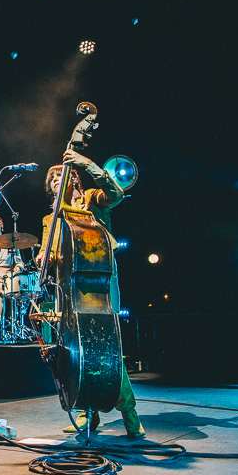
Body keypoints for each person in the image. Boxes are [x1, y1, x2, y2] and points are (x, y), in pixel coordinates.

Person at [41, 149, 144, 438]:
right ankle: (88, 412)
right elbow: (48, 256)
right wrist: (43, 257)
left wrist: (87, 164)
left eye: (62, 175)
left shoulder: (92, 200)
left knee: (107, 349)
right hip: (68, 288)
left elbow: (117, 194)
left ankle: (129, 411)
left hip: (99, 282)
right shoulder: (50, 220)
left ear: (75, 178)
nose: (57, 180)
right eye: (52, 180)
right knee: (77, 352)